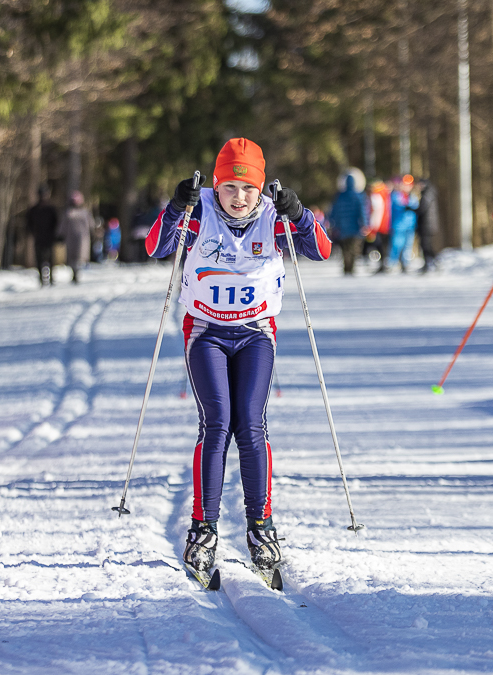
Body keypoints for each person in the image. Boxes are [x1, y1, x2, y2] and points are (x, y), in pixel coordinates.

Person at [145, 137, 332, 574]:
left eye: (249, 188)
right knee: (217, 422)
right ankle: (203, 527)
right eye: (230, 186)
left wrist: (299, 215)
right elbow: (156, 247)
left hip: (254, 333)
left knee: (250, 422)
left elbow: (321, 249)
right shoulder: (200, 211)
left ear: (261, 188)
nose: (239, 197)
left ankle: (260, 525)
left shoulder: (272, 215)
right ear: (216, 184)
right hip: (206, 331)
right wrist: (176, 207)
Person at [329, 172, 368, 275]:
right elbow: (363, 211)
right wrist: (364, 224)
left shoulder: (339, 196)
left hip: (343, 228)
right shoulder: (359, 196)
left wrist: (334, 224)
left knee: (345, 249)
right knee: (354, 249)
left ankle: (347, 268)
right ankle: (351, 267)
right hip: (355, 228)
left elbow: (334, 211)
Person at [26, 184, 58, 286]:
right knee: (39, 259)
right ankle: (41, 279)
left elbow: (56, 223)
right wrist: (33, 233)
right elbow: (29, 223)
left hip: (49, 238)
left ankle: (51, 278)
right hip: (38, 238)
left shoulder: (51, 209)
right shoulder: (34, 210)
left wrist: (55, 235)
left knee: (50, 259)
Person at [386, 174, 419, 272]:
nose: (407, 187)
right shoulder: (395, 196)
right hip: (398, 225)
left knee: (408, 246)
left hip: (410, 225)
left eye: (409, 185)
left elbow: (416, 210)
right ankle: (392, 263)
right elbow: (394, 208)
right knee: (396, 245)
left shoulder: (413, 197)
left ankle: (405, 263)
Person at [59, 191, 92, 283]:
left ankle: (77, 272)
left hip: (82, 238)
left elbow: (91, 224)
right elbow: (63, 226)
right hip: (71, 238)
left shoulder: (85, 212)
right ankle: (74, 273)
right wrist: (60, 235)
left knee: (79, 257)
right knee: (72, 257)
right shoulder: (68, 213)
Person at [416, 178, 440, 273]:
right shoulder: (429, 193)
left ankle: (430, 263)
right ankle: (432, 263)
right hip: (427, 224)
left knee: (425, 245)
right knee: (426, 245)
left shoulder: (427, 194)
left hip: (427, 224)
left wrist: (411, 209)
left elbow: (422, 209)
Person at [367, 179, 392, 271]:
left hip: (379, 225)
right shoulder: (386, 193)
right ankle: (385, 263)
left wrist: (372, 226)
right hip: (387, 223)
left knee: (379, 245)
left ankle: (382, 264)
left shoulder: (376, 195)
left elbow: (376, 211)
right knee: (385, 246)